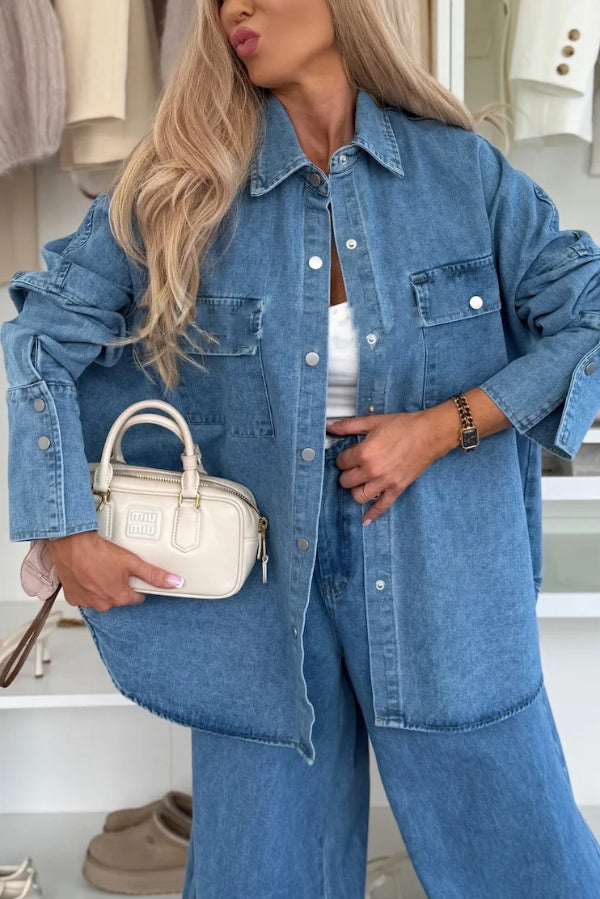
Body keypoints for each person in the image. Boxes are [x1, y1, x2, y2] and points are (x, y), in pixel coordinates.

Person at [3, 0, 600, 896]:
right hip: (256, 591)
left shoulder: (461, 174)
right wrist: (63, 526)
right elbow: (42, 340)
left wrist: (442, 427)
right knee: (263, 871)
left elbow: (591, 318)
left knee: (526, 863)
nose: (231, 8)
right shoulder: (182, 184)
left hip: (445, 570)